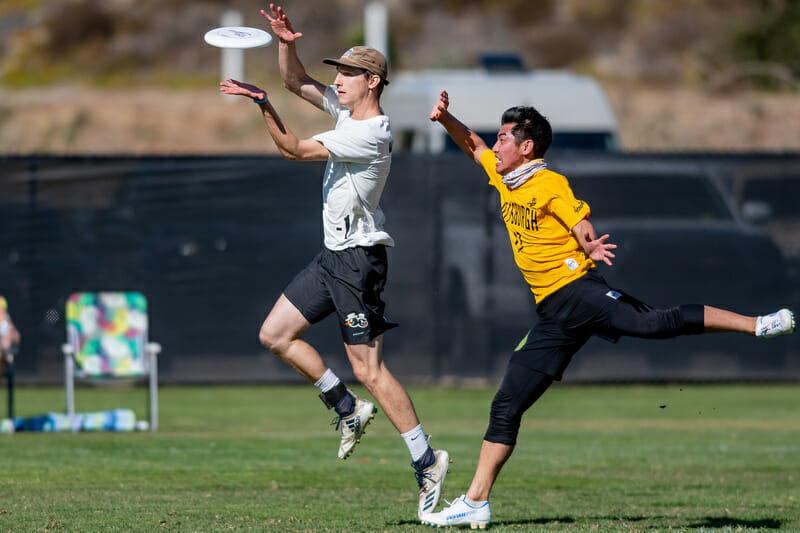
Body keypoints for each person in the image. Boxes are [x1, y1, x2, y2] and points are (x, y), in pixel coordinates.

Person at [420, 90, 797, 529]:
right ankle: (476, 501)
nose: (496, 144)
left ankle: (758, 325)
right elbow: (475, 146)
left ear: (526, 148)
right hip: (553, 314)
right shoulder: (507, 177)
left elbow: (578, 220)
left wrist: (588, 242)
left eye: (504, 138)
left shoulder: (548, 182)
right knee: (506, 404)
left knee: (656, 324)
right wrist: (447, 119)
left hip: (579, 291)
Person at [219, 4, 449, 517]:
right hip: (333, 257)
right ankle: (347, 410)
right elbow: (295, 80)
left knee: (369, 369)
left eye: (346, 73)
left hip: (358, 263)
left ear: (372, 81)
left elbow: (295, 151)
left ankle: (427, 459)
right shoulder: (347, 112)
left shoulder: (369, 133)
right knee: (275, 335)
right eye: (337, 72)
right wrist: (284, 42)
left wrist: (260, 104)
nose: (337, 80)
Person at [0, 295, 20, 374]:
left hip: (5, 350)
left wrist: (12, 338)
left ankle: (6, 354)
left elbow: (17, 337)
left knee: (6, 338)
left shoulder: (7, 322)